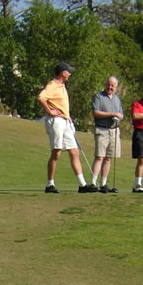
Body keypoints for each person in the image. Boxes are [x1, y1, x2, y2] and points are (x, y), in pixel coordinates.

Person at [37, 62, 97, 194]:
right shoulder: (53, 85)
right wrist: (49, 111)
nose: (70, 74)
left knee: (74, 151)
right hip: (56, 121)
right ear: (63, 73)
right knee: (56, 153)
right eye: (68, 72)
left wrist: (68, 117)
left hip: (65, 121)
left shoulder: (62, 86)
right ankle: (50, 185)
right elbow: (41, 97)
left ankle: (82, 185)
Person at [91, 76, 123, 194]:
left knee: (108, 158)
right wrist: (113, 114)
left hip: (114, 130)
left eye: (112, 85)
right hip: (102, 129)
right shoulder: (99, 96)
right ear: (105, 84)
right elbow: (96, 112)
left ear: (116, 87)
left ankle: (103, 184)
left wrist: (118, 116)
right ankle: (93, 183)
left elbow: (121, 114)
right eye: (108, 85)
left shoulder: (117, 98)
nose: (110, 87)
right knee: (99, 156)